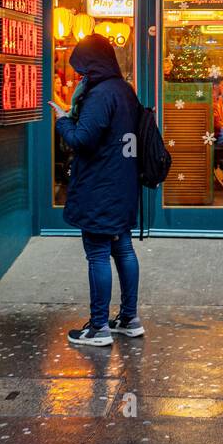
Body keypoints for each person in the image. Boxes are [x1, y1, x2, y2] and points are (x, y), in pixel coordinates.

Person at [56, 34, 144, 346]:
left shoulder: (100, 95)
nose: (80, 75)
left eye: (82, 68)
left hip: (100, 187)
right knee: (123, 248)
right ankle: (129, 318)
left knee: (97, 253)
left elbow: (82, 140)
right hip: (123, 184)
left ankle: (98, 328)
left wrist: (62, 120)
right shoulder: (125, 90)